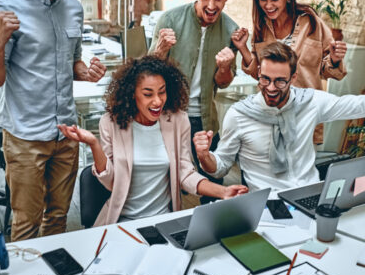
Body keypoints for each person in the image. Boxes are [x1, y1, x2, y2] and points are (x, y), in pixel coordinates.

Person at [0, 0, 106, 242]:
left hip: (66, 132)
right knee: (26, 222)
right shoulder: (5, 10)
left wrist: (85, 71)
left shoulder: (74, 9)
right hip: (25, 136)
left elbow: (70, 63)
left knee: (59, 217)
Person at [58, 56, 248, 227]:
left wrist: (223, 192)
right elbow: (110, 181)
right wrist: (94, 144)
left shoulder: (178, 121)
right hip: (121, 222)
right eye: (148, 94)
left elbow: (185, 174)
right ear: (133, 94)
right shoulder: (110, 123)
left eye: (162, 92)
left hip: (164, 221)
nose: (157, 101)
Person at [193, 42, 365, 192]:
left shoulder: (310, 102)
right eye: (265, 79)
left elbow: (358, 105)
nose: (271, 88)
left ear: (293, 78)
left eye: (280, 81)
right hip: (268, 204)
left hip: (309, 193)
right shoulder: (239, 115)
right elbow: (220, 168)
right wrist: (205, 156)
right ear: (259, 72)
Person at [149, 0, 238, 197]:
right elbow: (146, 74)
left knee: (212, 181)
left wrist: (225, 67)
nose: (211, 6)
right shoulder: (170, 19)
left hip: (206, 121)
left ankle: (210, 229)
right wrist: (160, 49)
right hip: (170, 118)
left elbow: (224, 82)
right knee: (173, 184)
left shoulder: (230, 29)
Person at [231, 0, 347, 144]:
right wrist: (243, 49)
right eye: (263, 0)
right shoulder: (261, 26)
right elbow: (259, 75)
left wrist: (334, 59)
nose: (268, 6)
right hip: (267, 117)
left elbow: (329, 72)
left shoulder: (312, 23)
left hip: (303, 119)